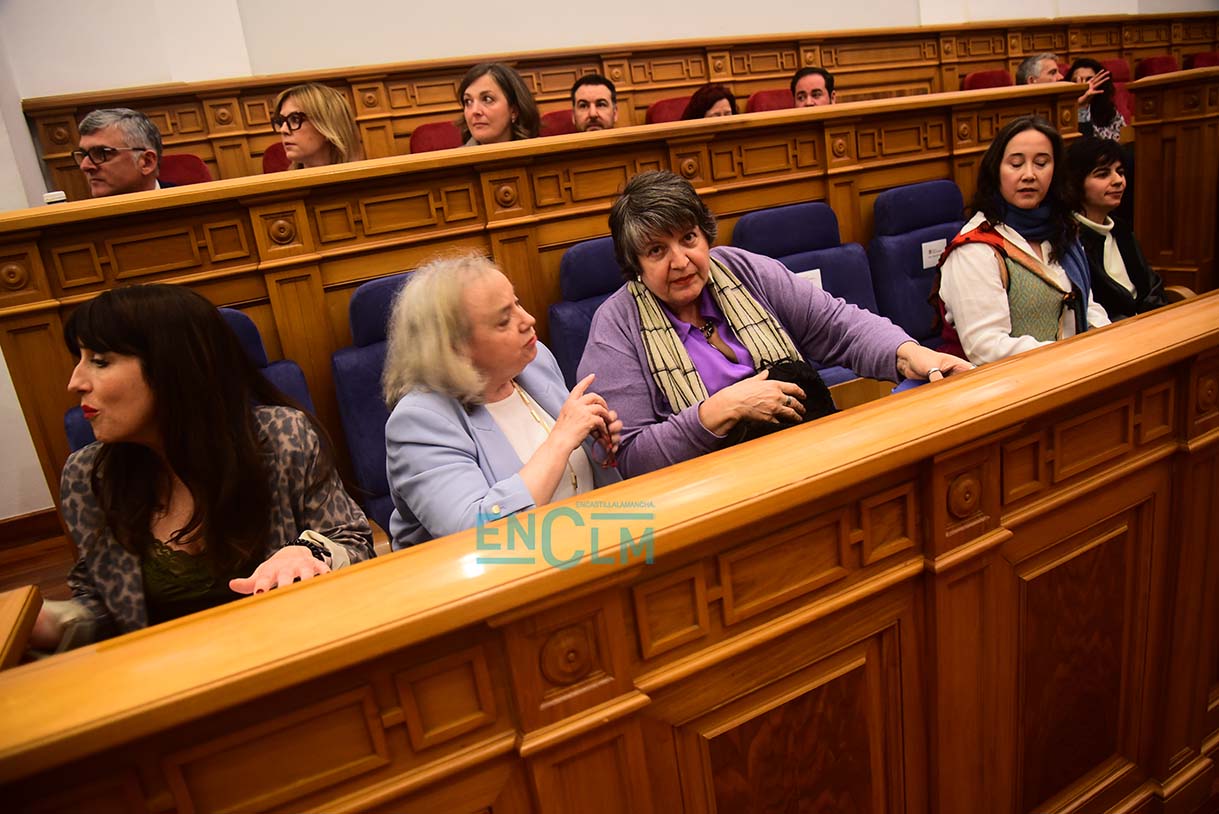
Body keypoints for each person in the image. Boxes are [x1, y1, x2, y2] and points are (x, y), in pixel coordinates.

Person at [31, 285, 375, 651]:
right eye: (79, 359)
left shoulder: (282, 437)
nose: (75, 382)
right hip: (170, 683)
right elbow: (102, 609)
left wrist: (307, 552)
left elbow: (353, 542)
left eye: (99, 361)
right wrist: (49, 622)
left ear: (171, 367)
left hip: (294, 654)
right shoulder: (87, 476)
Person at [576, 170, 972, 478]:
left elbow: (838, 326)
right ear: (635, 263)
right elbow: (634, 458)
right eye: (657, 250)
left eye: (689, 238)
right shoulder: (616, 327)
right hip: (713, 498)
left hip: (811, 453)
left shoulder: (741, 269)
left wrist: (910, 355)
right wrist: (721, 410)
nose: (680, 261)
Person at [382, 253, 621, 549]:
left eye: (517, 303)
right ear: (455, 349)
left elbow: (573, 479)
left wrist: (598, 442)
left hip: (582, 548)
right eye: (504, 319)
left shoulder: (533, 363)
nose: (528, 320)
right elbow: (476, 535)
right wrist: (562, 438)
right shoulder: (419, 421)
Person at [935, 116, 1110, 365]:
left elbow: (1087, 307)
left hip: (1075, 369)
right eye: (1016, 164)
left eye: (1041, 163)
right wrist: (1071, 356)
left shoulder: (1062, 230)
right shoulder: (975, 249)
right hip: (1005, 387)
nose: (1029, 175)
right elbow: (986, 347)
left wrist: (1112, 342)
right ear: (996, 171)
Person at [1066, 137, 1165, 319]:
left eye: (1120, 172)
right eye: (1103, 174)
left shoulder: (1121, 229)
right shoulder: (1068, 239)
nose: (1118, 180)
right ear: (1076, 182)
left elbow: (1152, 287)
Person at [73, 109, 164, 197]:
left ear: (147, 162)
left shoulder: (178, 202)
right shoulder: (80, 212)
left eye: (101, 153)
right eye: (84, 154)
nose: (84, 166)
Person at [272, 83, 364, 168]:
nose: (283, 130)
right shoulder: (284, 184)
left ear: (328, 125)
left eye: (295, 119)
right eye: (281, 121)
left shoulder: (364, 182)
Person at [458, 63, 541, 145]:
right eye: (468, 101)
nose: (475, 111)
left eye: (487, 99)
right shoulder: (455, 157)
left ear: (514, 111)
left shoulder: (543, 153)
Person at [1066, 58, 1125, 141]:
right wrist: (1080, 107)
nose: (1084, 85)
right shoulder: (1063, 112)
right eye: (1076, 81)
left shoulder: (1109, 111)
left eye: (1090, 80)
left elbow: (1117, 141)